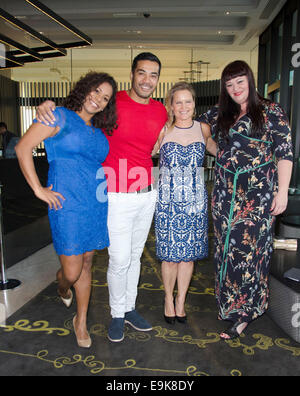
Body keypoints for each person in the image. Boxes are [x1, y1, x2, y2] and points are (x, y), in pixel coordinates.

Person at [35, 53, 168, 343]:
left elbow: (173, 133)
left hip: (146, 195)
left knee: (134, 258)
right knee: (118, 259)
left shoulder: (161, 112)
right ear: (132, 74)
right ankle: (116, 313)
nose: (147, 80)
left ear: (158, 79)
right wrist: (47, 106)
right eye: (142, 73)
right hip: (113, 193)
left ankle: (129, 308)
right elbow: (78, 111)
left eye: (153, 74)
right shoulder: (113, 101)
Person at [15, 72, 118, 348]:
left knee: (87, 262)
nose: (98, 99)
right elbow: (23, 147)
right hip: (66, 202)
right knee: (71, 271)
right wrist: (39, 189)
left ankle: (80, 321)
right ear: (84, 89)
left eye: (105, 98)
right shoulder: (58, 115)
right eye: (96, 91)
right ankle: (62, 284)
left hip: (95, 202)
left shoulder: (99, 132)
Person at [198, 60, 293, 340]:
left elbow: (285, 152)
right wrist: (219, 152)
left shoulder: (270, 111)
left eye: (240, 81)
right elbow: (198, 130)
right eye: (229, 84)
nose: (235, 88)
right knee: (225, 250)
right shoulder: (219, 112)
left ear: (249, 81)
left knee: (250, 252)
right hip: (225, 193)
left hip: (257, 194)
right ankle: (229, 305)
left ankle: (245, 314)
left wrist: (283, 190)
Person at [153, 82, 216, 324]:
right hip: (168, 202)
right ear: (170, 105)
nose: (183, 106)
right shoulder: (163, 130)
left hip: (195, 201)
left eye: (187, 101)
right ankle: (169, 298)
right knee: (170, 256)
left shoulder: (203, 129)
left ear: (194, 104)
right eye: (177, 101)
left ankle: (181, 301)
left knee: (188, 256)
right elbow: (142, 152)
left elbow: (219, 152)